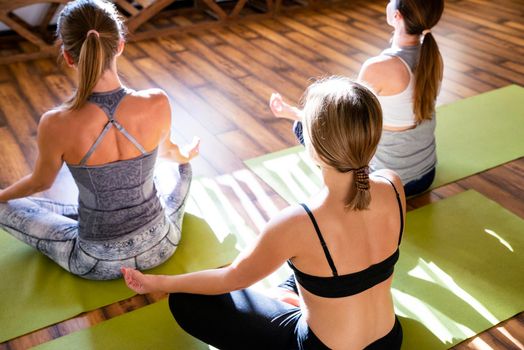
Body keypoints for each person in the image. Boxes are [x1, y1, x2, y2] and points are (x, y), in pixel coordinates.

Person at [123, 77, 406, 350]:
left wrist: (158, 282)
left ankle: (285, 301)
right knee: (302, 266)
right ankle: (287, 298)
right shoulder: (392, 184)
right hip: (389, 340)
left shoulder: (299, 223)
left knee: (186, 300)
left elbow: (230, 279)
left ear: (314, 151)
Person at [0, 0, 199, 280]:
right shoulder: (157, 100)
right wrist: (186, 154)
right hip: (162, 244)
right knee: (184, 169)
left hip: (96, 260)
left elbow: (39, 183)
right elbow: (169, 153)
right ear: (119, 45)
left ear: (68, 56)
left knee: (5, 207)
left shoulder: (55, 122)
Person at [270, 0, 444, 197]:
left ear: (397, 16)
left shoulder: (379, 68)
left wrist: (292, 113)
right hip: (427, 175)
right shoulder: (433, 55)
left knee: (302, 126)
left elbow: (346, 121)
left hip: (390, 185)